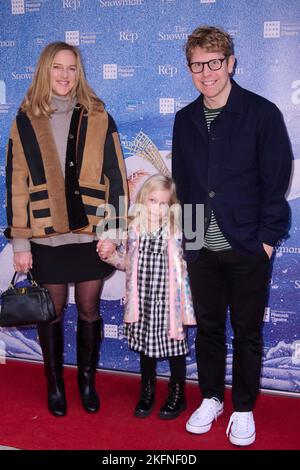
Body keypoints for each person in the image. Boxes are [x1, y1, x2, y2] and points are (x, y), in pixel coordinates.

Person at [172, 26, 292, 445]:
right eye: (197, 65)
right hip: (202, 249)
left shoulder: (262, 114)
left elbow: (277, 182)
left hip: (247, 247)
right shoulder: (184, 119)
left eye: (214, 63)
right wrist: (189, 240)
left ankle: (242, 407)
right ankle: (211, 397)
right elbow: (184, 183)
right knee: (207, 328)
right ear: (189, 68)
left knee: (246, 331)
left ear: (231, 63)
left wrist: (265, 240)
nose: (206, 73)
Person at [5, 42, 128, 417]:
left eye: (71, 68)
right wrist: (21, 240)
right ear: (45, 71)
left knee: (90, 308)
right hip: (47, 237)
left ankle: (87, 382)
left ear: (80, 73)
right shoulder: (25, 118)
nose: (64, 75)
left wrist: (112, 229)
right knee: (52, 312)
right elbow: (16, 181)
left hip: (92, 235)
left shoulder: (98, 114)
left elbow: (116, 175)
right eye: (57, 67)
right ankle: (55, 384)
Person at [99, 174, 196, 419]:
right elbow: (125, 262)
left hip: (169, 305)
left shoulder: (177, 231)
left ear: (171, 206)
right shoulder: (133, 230)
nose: (158, 208)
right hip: (142, 302)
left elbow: (188, 266)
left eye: (164, 203)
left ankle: (177, 393)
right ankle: (148, 390)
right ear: (143, 200)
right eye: (153, 201)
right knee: (145, 349)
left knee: (175, 349)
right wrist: (109, 255)